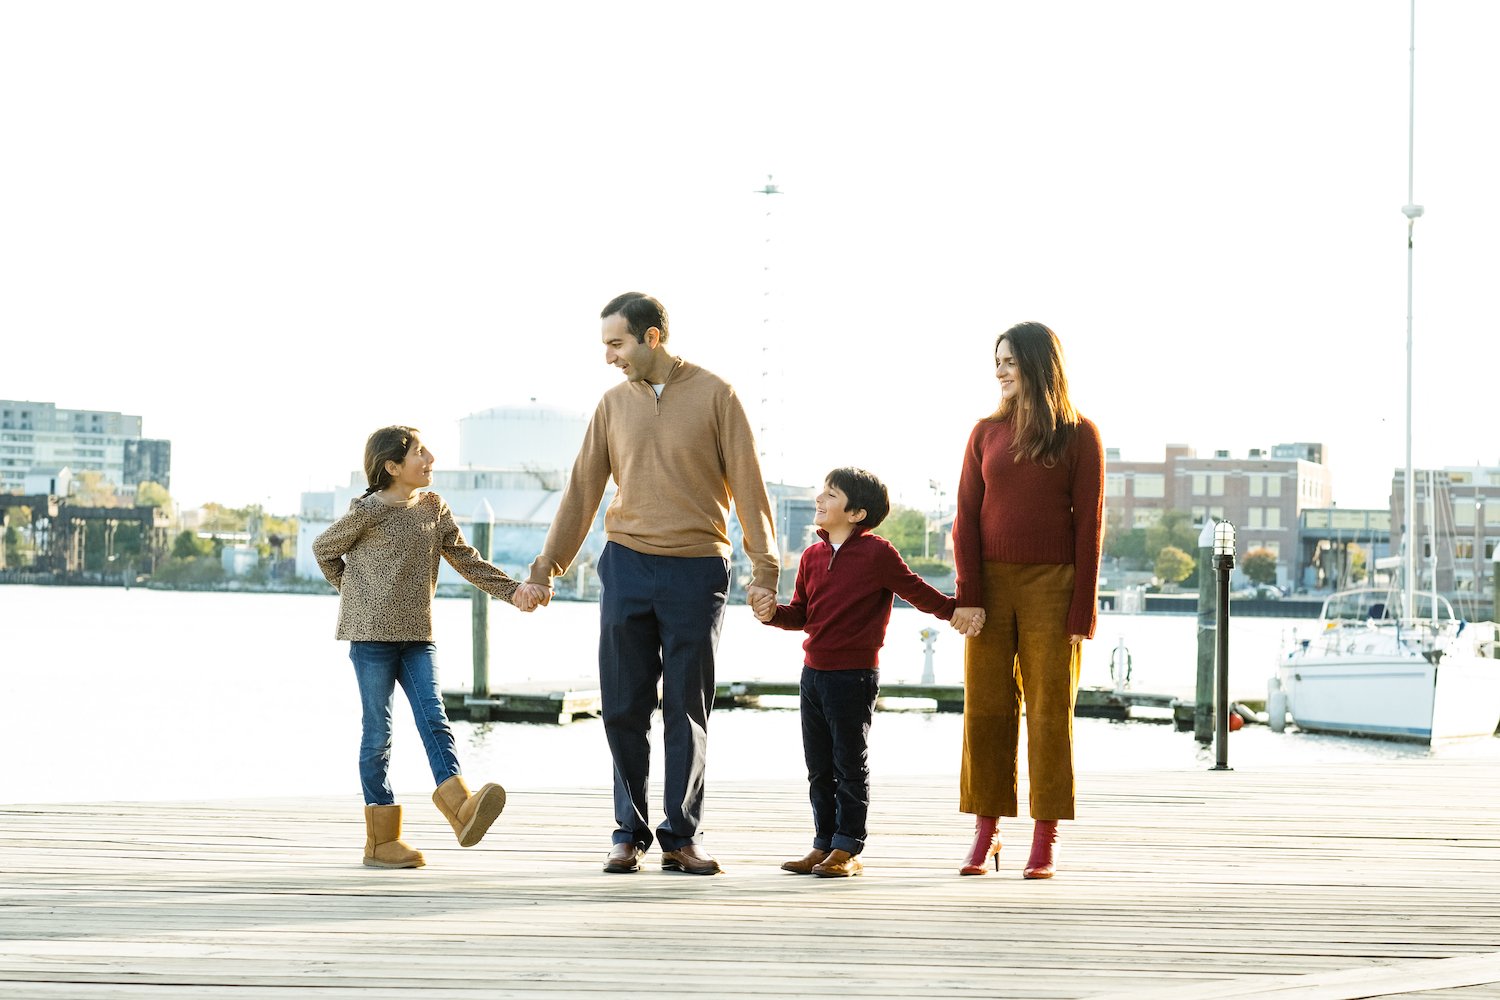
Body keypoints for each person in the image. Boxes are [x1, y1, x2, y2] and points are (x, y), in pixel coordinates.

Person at [516, 292, 778, 876]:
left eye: (617, 343)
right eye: (605, 344)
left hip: (697, 568)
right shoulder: (612, 405)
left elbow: (751, 488)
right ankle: (627, 832)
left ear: (652, 337)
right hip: (627, 564)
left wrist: (765, 570)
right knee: (622, 707)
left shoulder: (717, 395)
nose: (609, 356)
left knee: (686, 709)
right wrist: (545, 571)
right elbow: (582, 490)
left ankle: (681, 837)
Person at [313, 425, 540, 869]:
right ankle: (381, 841)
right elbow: (324, 550)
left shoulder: (434, 508)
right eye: (421, 452)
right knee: (378, 735)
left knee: (435, 718)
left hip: (418, 637)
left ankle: (461, 810)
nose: (431, 457)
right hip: (371, 639)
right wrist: (358, 596)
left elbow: (465, 558)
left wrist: (513, 592)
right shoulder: (367, 511)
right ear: (392, 467)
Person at [755, 467, 975, 878]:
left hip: (853, 676)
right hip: (813, 675)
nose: (820, 500)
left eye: (831, 495)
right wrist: (772, 615)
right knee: (818, 767)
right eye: (821, 492)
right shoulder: (811, 556)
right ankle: (822, 844)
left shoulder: (878, 554)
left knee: (848, 766)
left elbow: (917, 591)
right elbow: (801, 614)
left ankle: (848, 849)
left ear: (856, 513)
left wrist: (956, 611)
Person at [949, 322, 1104, 879]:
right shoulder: (984, 433)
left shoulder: (1078, 434)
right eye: (997, 361)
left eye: (1010, 360)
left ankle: (1046, 835)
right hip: (988, 586)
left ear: (1039, 364)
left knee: (1048, 712)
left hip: (1054, 585)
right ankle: (986, 830)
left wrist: (1082, 608)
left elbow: (1088, 526)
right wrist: (967, 595)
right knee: (986, 709)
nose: (1000, 369)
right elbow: (965, 518)